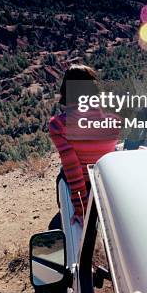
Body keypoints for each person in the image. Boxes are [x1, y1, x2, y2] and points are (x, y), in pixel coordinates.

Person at [49, 64, 120, 225]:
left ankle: (63, 207)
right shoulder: (114, 122)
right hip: (104, 182)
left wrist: (81, 209)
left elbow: (72, 168)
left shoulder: (58, 125)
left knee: (62, 172)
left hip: (86, 186)